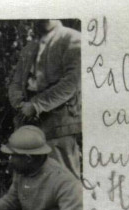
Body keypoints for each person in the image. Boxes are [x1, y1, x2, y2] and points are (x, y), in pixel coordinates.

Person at [8, 20, 82, 179]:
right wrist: (20, 104)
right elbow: (16, 82)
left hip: (58, 124)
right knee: (29, 183)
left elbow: (71, 84)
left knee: (64, 183)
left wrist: (36, 105)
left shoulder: (72, 39)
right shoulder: (30, 47)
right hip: (27, 123)